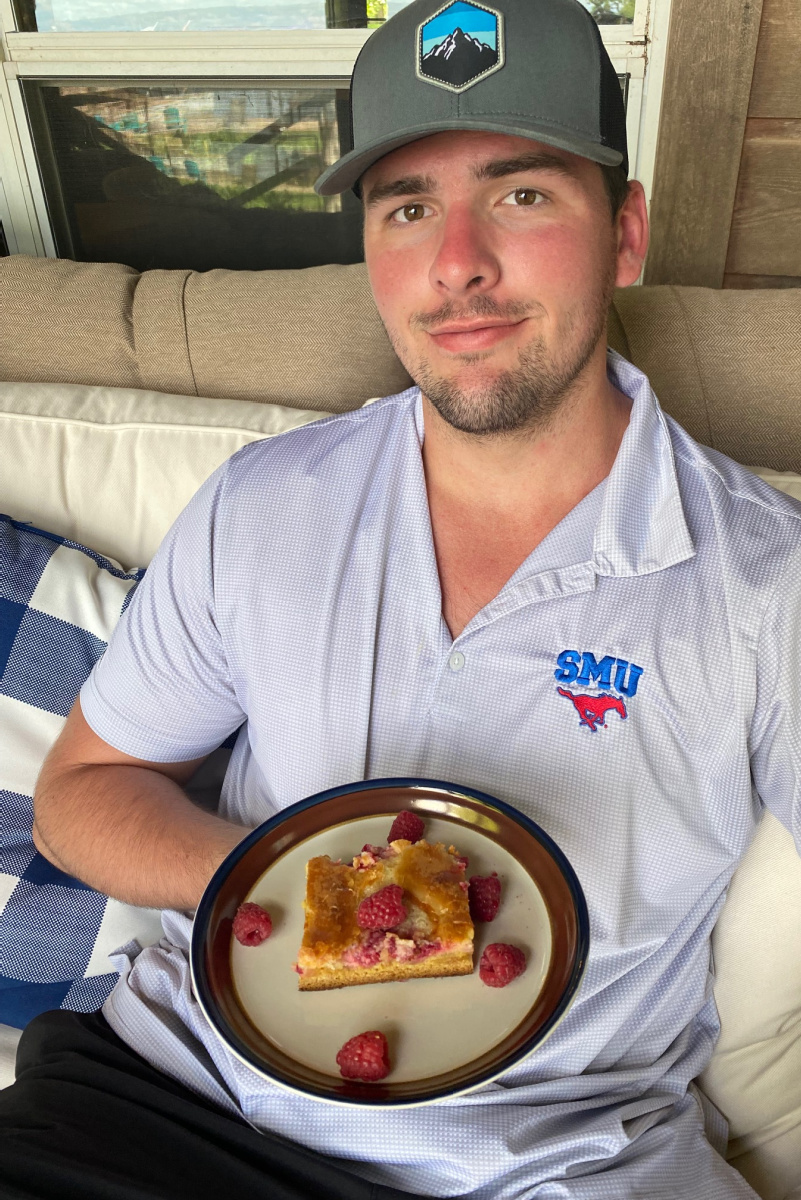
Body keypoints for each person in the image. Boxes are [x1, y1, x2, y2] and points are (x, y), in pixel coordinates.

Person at [1, 0, 798, 1196]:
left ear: (625, 235)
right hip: (177, 1097)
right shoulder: (261, 505)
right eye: (408, 206)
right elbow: (84, 797)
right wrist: (283, 897)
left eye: (522, 193)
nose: (457, 259)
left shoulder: (765, 580)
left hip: (546, 1161)